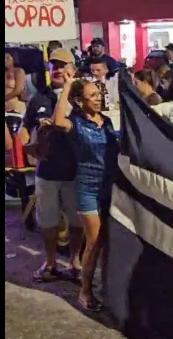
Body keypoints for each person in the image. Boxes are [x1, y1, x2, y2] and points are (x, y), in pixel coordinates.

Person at [53, 74, 119, 312]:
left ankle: (107, 286)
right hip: (87, 189)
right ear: (79, 101)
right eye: (92, 95)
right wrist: (67, 86)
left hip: (109, 188)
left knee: (109, 241)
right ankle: (85, 291)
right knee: (94, 241)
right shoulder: (75, 124)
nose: (98, 98)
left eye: (98, 93)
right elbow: (57, 120)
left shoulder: (107, 122)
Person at [18, 48, 83, 282]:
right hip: (46, 172)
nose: (57, 70)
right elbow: (25, 127)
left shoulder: (81, 96)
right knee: (48, 221)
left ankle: (75, 261)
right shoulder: (39, 97)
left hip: (75, 171)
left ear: (73, 70)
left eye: (63, 65)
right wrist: (29, 147)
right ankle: (52, 262)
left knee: (76, 221)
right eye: (53, 66)